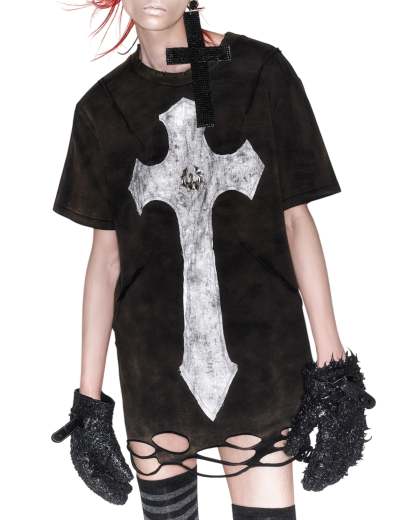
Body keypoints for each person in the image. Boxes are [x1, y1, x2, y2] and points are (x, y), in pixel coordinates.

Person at [50, 1, 375, 519]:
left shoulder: (259, 73)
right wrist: (89, 400)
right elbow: (106, 259)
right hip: (154, 366)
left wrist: (334, 369)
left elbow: (296, 220)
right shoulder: (103, 108)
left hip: (262, 358)